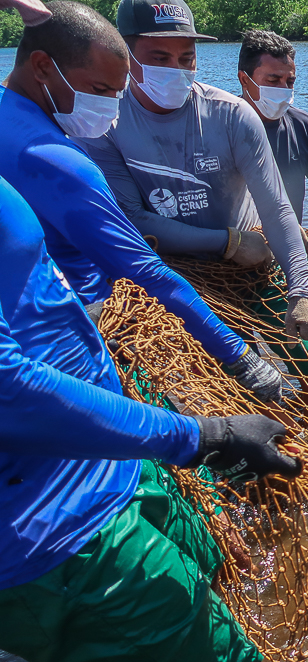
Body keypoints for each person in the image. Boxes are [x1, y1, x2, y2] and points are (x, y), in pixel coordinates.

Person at [0, 174, 300, 662]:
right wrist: (203, 435)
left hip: (117, 460)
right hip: (58, 531)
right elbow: (6, 390)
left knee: (222, 575)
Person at [79, 0, 308, 441]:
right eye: (159, 58)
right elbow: (135, 220)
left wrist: (302, 290)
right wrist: (226, 242)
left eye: (187, 58)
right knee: (226, 391)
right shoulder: (105, 123)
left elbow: (277, 207)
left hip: (258, 267)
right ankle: (267, 473)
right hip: (181, 278)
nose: (176, 69)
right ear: (126, 57)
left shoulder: (230, 114)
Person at [0, 0, 285, 406]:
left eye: (118, 93)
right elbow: (143, 269)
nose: (110, 109)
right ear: (43, 66)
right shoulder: (56, 160)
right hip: (76, 349)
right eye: (100, 91)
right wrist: (237, 356)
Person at [237, 30, 308, 228]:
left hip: (290, 251)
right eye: (273, 81)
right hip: (239, 249)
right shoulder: (220, 126)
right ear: (244, 79)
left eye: (290, 82)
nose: (284, 89)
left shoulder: (305, 127)